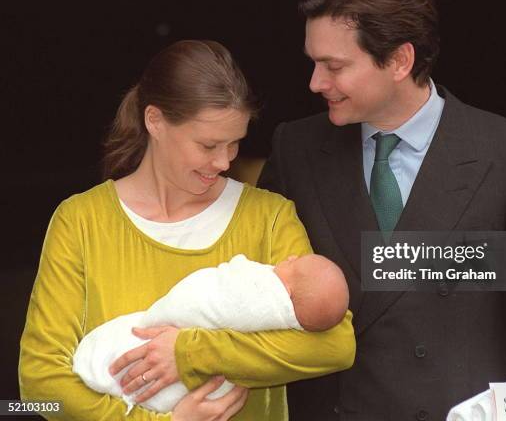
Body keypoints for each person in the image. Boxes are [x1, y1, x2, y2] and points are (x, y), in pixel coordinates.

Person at [257, 0, 506, 420]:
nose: (316, 82)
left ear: (400, 60)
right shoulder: (295, 148)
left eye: (334, 65)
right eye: (313, 62)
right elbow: (255, 297)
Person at [19, 39, 356, 421]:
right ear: (155, 121)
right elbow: (39, 383)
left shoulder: (269, 217)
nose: (224, 161)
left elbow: (334, 346)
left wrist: (188, 354)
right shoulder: (81, 221)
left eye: (235, 144)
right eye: (208, 144)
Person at [73, 253, 349, 414]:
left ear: (286, 293)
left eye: (294, 262)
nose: (289, 256)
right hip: (191, 392)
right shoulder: (81, 217)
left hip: (172, 352)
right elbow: (45, 388)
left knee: (130, 354)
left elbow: (212, 300)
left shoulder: (267, 295)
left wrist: (187, 350)